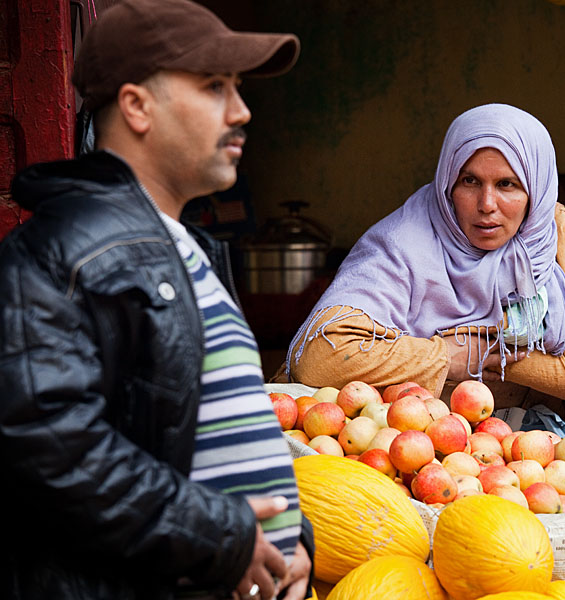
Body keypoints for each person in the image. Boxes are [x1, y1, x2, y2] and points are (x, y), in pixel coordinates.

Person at [0, 1, 314, 598]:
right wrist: (222, 536)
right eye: (215, 86)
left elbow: (212, 429)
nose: (242, 111)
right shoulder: (61, 252)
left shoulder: (185, 249)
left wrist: (292, 536)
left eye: (238, 88)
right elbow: (47, 447)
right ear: (137, 106)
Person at [276, 104, 565, 407]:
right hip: (410, 436)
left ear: (535, 189)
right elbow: (319, 356)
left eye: (508, 184)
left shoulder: (557, 233)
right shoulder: (402, 242)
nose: (487, 204)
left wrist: (481, 352)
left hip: (517, 448)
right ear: (448, 184)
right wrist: (444, 356)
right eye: (470, 181)